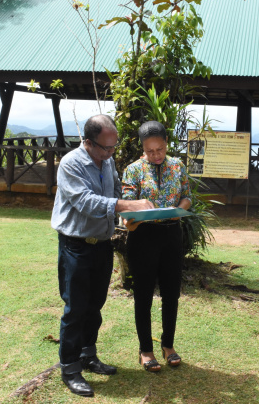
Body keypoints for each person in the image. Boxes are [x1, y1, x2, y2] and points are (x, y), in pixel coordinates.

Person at [51, 114, 153, 397]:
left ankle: (88, 355)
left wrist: (132, 216)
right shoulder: (71, 164)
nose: (110, 154)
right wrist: (127, 205)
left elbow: (116, 190)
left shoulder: (106, 162)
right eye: (105, 148)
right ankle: (70, 368)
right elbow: (85, 202)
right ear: (88, 142)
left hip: (101, 245)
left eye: (113, 148)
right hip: (76, 245)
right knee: (75, 308)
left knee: (95, 304)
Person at [121, 121, 192, 373]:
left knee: (171, 292)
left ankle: (168, 345)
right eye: (150, 151)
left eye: (160, 149)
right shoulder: (133, 170)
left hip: (172, 235)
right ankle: (145, 350)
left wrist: (179, 210)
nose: (156, 155)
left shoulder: (177, 166)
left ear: (166, 144)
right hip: (143, 238)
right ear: (142, 148)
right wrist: (135, 211)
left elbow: (186, 195)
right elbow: (127, 204)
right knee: (143, 295)